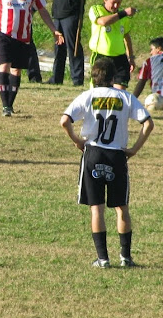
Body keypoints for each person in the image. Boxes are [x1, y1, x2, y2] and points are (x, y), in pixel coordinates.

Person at [60, 57, 154, 268]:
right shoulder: (125, 97)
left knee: (97, 208)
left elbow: (64, 120)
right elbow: (148, 123)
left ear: (93, 77)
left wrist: (77, 141)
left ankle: (102, 259)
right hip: (117, 155)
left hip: (93, 154)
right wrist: (134, 149)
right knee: (121, 207)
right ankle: (126, 258)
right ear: (113, 77)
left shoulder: (88, 96)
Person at [89, 0, 137, 90]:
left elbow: (126, 36)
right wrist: (123, 13)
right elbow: (103, 22)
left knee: (120, 90)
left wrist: (131, 57)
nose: (116, 6)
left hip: (120, 57)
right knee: (99, 89)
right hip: (101, 56)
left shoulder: (123, 17)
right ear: (105, 0)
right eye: (113, 2)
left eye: (119, 3)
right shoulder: (96, 9)